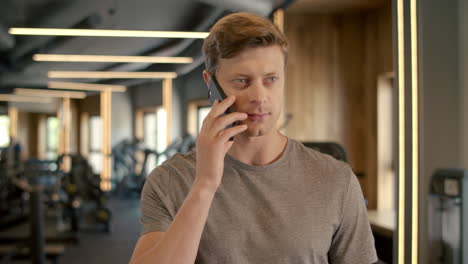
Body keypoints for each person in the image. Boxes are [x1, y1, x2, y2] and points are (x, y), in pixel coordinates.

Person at [130, 12, 378, 264]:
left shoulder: (336, 180)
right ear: (211, 83)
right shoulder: (170, 180)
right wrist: (205, 184)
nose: (260, 96)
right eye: (242, 81)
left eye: (271, 79)